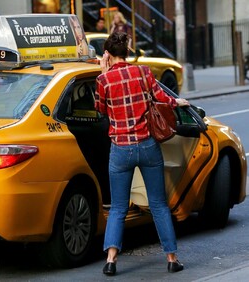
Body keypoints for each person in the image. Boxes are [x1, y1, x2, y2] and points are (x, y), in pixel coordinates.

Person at [95, 32, 190, 276]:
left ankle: (111, 260)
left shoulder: (103, 81)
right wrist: (178, 102)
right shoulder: (143, 72)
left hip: (120, 150)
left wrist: (104, 73)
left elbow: (100, 110)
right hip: (147, 145)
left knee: (117, 207)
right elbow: (161, 97)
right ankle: (172, 258)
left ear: (108, 54)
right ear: (126, 52)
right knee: (158, 204)